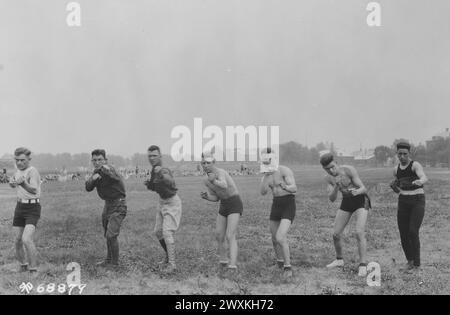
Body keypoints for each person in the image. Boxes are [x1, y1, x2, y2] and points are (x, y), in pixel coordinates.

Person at [320, 153, 371, 277]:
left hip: (360, 200)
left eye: (332, 167)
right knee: (336, 234)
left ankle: (363, 265)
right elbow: (331, 198)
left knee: (359, 232)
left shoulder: (348, 170)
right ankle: (339, 260)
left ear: (336, 162)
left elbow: (364, 188)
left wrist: (357, 191)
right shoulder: (328, 178)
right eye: (327, 169)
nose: (331, 170)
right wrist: (337, 186)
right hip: (347, 201)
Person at [200, 151, 243, 273]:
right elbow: (216, 197)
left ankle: (233, 267)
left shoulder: (220, 172)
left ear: (213, 163)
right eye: (203, 163)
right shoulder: (206, 180)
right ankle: (223, 263)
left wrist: (214, 181)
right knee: (219, 235)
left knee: (230, 235)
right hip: (223, 204)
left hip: (234, 202)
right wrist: (206, 197)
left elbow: (223, 185)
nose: (206, 165)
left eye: (208, 163)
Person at [85, 149, 127, 268]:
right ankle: (108, 259)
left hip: (119, 204)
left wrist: (105, 171)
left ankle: (114, 264)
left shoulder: (110, 169)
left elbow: (115, 178)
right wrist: (93, 178)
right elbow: (88, 187)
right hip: (108, 205)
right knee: (107, 234)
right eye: (95, 160)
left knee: (111, 235)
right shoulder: (96, 172)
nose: (97, 162)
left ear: (105, 160)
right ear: (92, 161)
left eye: (100, 160)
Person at [390, 142, 428, 271]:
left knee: (413, 231)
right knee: (403, 233)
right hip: (403, 201)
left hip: (417, 200)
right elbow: (398, 189)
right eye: (399, 154)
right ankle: (410, 261)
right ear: (397, 154)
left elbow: (424, 176)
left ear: (409, 154)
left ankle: (417, 264)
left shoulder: (415, 165)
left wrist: (420, 181)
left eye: (405, 154)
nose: (402, 156)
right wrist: (394, 187)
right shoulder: (396, 170)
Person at [259, 148, 297, 278]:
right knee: (274, 238)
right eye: (265, 160)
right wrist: (266, 176)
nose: (267, 162)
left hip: (288, 204)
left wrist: (285, 186)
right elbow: (263, 192)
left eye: (269, 160)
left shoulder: (284, 170)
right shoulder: (266, 175)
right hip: (276, 205)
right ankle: (280, 262)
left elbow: (294, 188)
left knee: (280, 237)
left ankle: (288, 267)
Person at [144, 145, 182, 273]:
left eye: (154, 155)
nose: (152, 158)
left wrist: (161, 174)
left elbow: (170, 182)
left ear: (160, 156)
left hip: (172, 202)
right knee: (158, 231)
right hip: (162, 202)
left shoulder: (163, 169)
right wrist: (149, 184)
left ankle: (172, 264)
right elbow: (155, 187)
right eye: (150, 156)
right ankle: (168, 257)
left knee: (167, 232)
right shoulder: (154, 169)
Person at [9, 147, 41, 274]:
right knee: (17, 240)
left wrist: (22, 184)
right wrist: (12, 183)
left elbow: (34, 190)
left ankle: (33, 270)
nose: (19, 163)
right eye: (17, 160)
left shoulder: (33, 171)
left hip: (32, 208)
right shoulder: (17, 171)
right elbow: (14, 183)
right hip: (20, 207)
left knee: (26, 239)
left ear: (29, 159)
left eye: (22, 160)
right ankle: (23, 265)